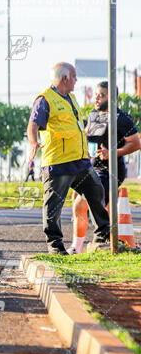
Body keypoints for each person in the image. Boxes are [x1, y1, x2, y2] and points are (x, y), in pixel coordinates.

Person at [27, 62, 110, 254]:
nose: (76, 80)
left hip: (80, 163)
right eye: (74, 76)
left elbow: (77, 127)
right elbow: (33, 125)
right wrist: (33, 143)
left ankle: (103, 235)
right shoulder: (45, 99)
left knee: (96, 192)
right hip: (58, 164)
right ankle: (55, 246)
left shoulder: (71, 98)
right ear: (65, 78)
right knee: (53, 206)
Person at [68, 81, 141, 254]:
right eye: (96, 95)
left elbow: (136, 143)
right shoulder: (94, 114)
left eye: (102, 95)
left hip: (110, 172)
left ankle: (81, 247)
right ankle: (86, 244)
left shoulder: (121, 118)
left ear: (112, 98)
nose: (97, 98)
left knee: (81, 204)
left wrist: (112, 153)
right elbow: (87, 135)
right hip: (89, 168)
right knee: (79, 203)